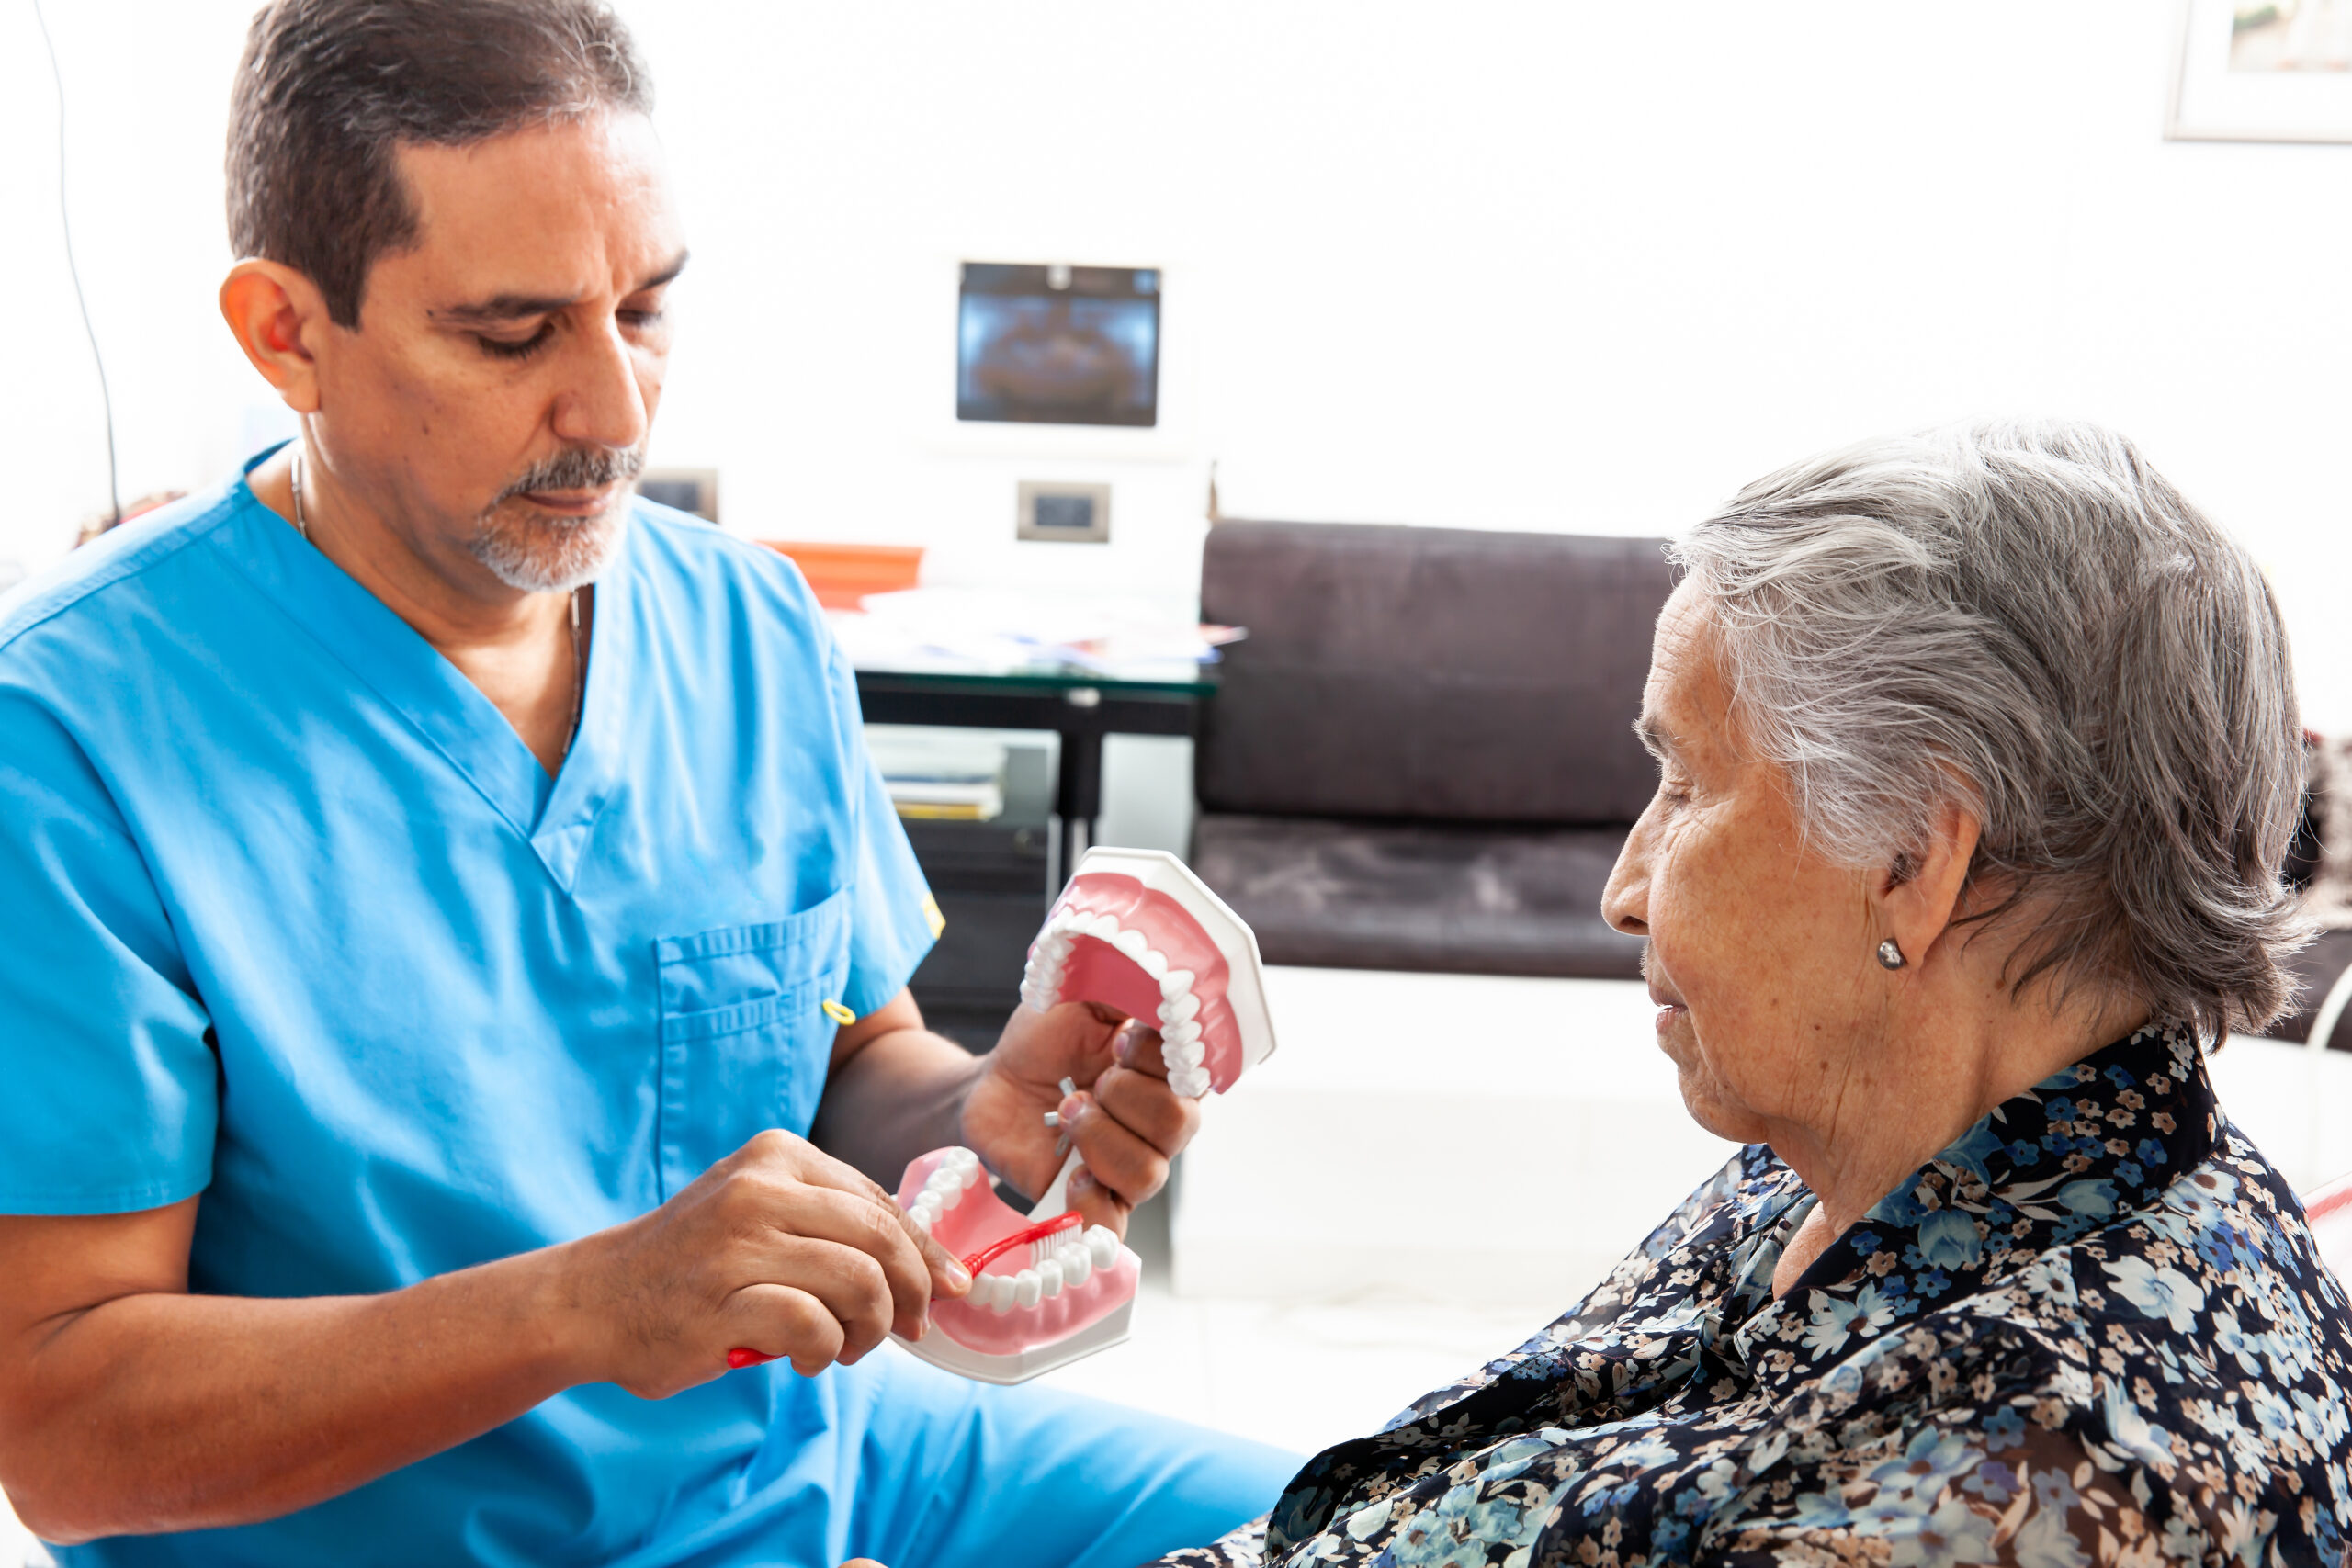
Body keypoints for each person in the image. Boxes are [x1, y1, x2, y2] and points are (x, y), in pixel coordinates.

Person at [0, 3, 1295, 1563]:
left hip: (817, 1456)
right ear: (288, 334)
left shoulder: (745, 624)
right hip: (416, 1538)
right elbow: (62, 1432)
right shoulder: (70, 738)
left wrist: (982, 1113)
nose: (617, 413)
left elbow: (846, 1064)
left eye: (648, 310)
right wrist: (580, 1308)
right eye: (513, 333)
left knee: (1380, 1526)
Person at [1157, 420, 2352, 1566]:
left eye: (1685, 786)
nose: (1625, 891)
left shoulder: (1994, 1497)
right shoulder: (1903, 1130)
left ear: (1912, 861)